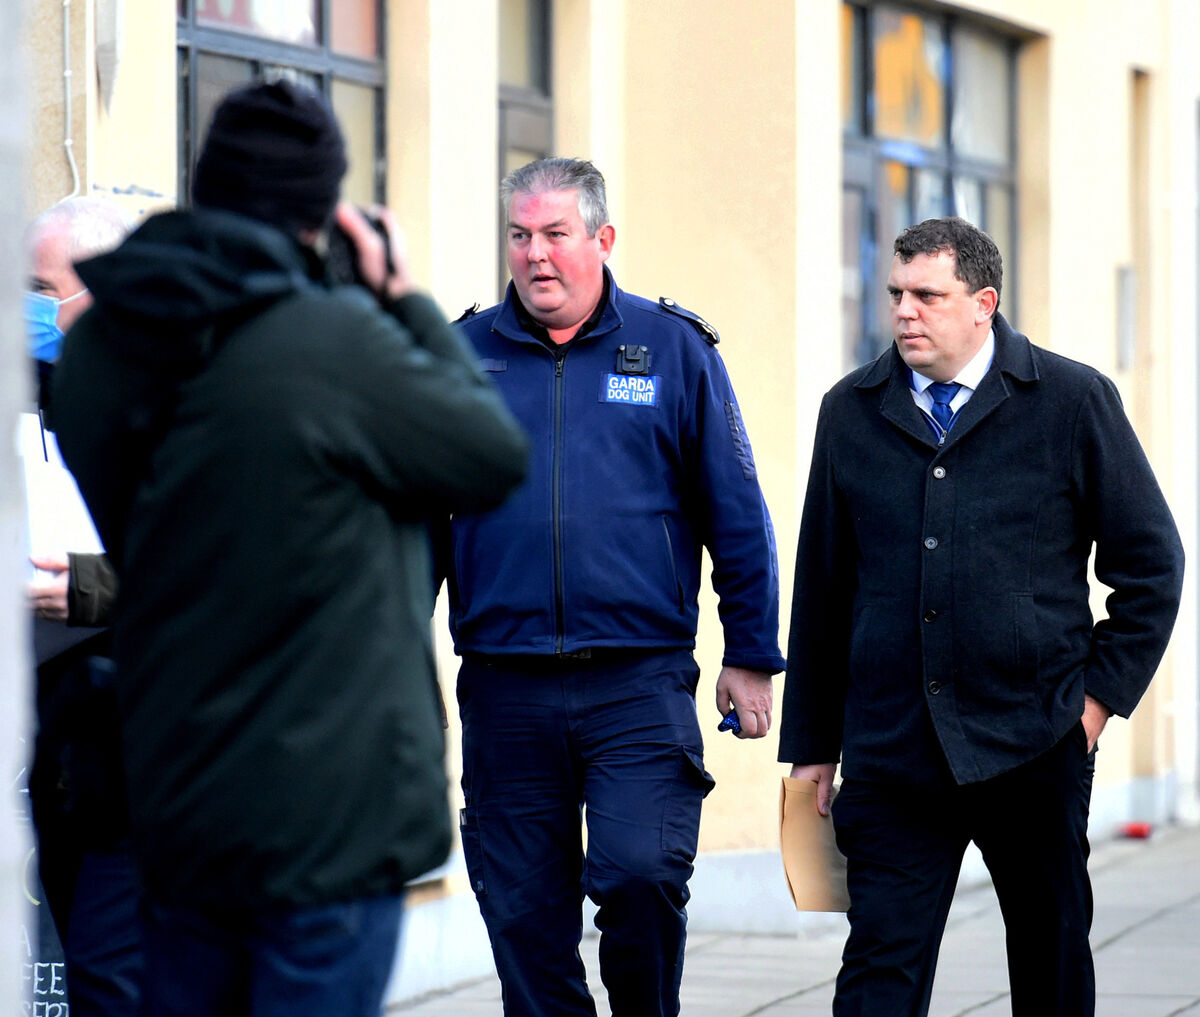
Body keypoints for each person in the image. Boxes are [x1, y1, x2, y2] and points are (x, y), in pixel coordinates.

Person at [52, 80, 529, 1017]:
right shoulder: (330, 342)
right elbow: (490, 453)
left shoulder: (103, 346)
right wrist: (403, 301)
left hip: (178, 803)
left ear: (207, 185)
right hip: (330, 822)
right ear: (321, 214)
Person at [780, 216, 1185, 1017]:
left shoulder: (1072, 401)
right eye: (896, 293)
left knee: (1050, 962)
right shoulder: (850, 410)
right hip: (893, 749)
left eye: (928, 295)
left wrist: (1094, 705)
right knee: (878, 972)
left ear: (983, 304)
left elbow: (1152, 564)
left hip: (1034, 740)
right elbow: (822, 587)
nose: (905, 312)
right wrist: (813, 745)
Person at [446, 157, 785, 1017]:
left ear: (601, 238)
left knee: (641, 876)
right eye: (520, 235)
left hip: (637, 681)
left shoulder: (673, 349)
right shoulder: (460, 356)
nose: (535, 254)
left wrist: (751, 653)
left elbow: (736, 511)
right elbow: (414, 524)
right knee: (520, 914)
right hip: (505, 684)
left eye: (555, 234)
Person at [23, 195, 143, 1017]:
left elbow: (234, 570)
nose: (24, 308)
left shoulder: (189, 400)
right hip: (56, 749)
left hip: (150, 750)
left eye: (40, 288)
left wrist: (93, 587)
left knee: (110, 971)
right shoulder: (29, 392)